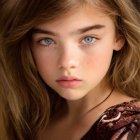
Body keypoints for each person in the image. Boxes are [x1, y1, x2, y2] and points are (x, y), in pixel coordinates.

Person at [0, 0, 140, 140]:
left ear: (118, 37)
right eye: (47, 41)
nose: (66, 63)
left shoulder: (133, 129)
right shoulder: (29, 121)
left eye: (88, 39)